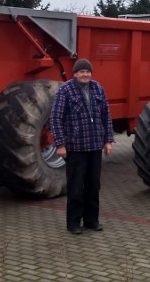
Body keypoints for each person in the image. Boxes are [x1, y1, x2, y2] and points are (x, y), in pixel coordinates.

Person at [49, 58, 114, 235]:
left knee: (93, 186)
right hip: (75, 147)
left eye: (87, 71)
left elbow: (106, 116)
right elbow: (55, 118)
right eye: (81, 71)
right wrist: (60, 144)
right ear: (75, 73)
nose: (85, 74)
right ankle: (73, 223)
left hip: (94, 146)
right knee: (76, 187)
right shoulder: (65, 90)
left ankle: (91, 221)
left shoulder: (98, 88)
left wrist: (108, 141)